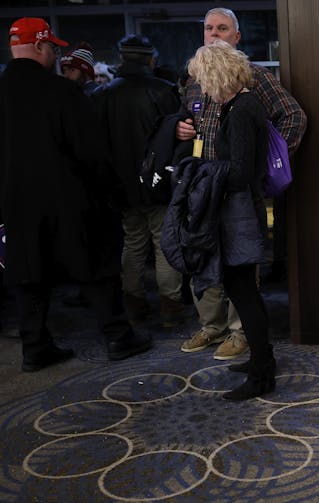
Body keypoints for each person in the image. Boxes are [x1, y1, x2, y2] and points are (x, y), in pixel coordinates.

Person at [0, 17, 151, 372]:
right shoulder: (62, 92)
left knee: (27, 273)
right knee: (95, 265)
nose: (55, 53)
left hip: (15, 202)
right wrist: (112, 191)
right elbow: (92, 153)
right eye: (52, 47)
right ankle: (118, 336)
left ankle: (34, 348)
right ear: (39, 47)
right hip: (70, 198)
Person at [175, 7, 307, 361]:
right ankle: (212, 325)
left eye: (222, 28)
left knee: (239, 263)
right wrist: (181, 129)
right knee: (205, 257)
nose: (214, 33)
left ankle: (240, 332)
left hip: (237, 188)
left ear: (237, 36)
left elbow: (293, 115)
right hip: (204, 187)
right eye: (208, 28)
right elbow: (190, 121)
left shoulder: (250, 77)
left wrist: (266, 167)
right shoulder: (194, 77)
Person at [175, 40, 274, 400]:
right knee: (244, 290)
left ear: (217, 75)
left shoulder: (242, 109)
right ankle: (264, 362)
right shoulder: (239, 106)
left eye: (202, 80)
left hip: (239, 212)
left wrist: (201, 173)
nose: (201, 87)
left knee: (243, 291)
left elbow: (241, 172)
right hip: (239, 209)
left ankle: (263, 374)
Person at [92, 34, 185, 325]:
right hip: (159, 183)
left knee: (132, 243)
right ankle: (170, 307)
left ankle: (134, 304)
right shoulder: (165, 91)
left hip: (120, 185)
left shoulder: (102, 95)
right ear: (150, 59)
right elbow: (177, 139)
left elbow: (97, 145)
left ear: (121, 59)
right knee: (164, 243)